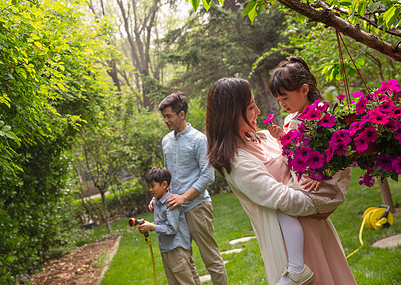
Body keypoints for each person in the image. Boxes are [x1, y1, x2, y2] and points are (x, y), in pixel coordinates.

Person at [206, 77, 356, 285]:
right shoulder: (236, 162)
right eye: (251, 107)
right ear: (231, 113)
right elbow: (281, 199)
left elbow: (301, 162)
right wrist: (319, 204)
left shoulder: (267, 137)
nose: (258, 111)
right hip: (293, 244)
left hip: (317, 227)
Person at [261, 56, 351, 284]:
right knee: (279, 205)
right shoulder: (293, 118)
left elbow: (337, 151)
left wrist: (321, 175)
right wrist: (283, 138)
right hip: (307, 182)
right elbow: (296, 152)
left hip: (324, 186)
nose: (282, 103)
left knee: (282, 207)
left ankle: (296, 267)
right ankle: (296, 265)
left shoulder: (320, 115)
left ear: (304, 89)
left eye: (285, 97)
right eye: (278, 99)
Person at [154, 92, 228, 284]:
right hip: (174, 210)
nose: (165, 120)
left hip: (196, 207)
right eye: (164, 116)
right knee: (185, 261)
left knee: (211, 258)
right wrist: (157, 196)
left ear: (182, 114)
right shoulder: (166, 141)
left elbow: (208, 175)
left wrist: (183, 197)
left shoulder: (199, 140)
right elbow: (166, 176)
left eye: (168, 116)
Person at [137, 167, 201, 285]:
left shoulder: (170, 203)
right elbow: (162, 224)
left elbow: (172, 229)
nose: (150, 189)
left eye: (153, 186)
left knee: (185, 281)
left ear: (164, 184)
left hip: (176, 249)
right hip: (167, 248)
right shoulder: (156, 202)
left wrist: (152, 227)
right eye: (149, 186)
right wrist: (148, 226)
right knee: (177, 281)